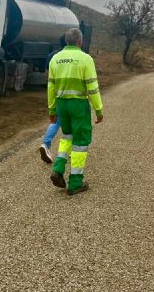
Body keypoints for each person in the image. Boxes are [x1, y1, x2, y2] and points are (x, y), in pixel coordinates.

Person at [48, 27, 104, 195]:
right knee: (80, 142)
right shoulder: (85, 59)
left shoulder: (55, 59)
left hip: (61, 104)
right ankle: (75, 183)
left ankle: (58, 169)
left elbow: (51, 87)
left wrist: (52, 109)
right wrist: (99, 110)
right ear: (80, 41)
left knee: (67, 136)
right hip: (78, 104)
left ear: (66, 41)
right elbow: (92, 88)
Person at [39, 36, 67, 163]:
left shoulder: (52, 56)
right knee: (72, 123)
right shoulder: (73, 57)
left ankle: (46, 144)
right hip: (70, 94)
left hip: (55, 92)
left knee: (55, 121)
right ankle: (71, 150)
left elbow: (47, 73)